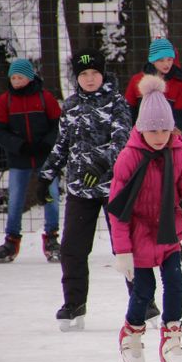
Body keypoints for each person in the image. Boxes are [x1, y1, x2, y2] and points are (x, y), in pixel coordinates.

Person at [108, 74, 182, 362]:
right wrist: (122, 251)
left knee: (175, 283)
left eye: (165, 129)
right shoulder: (129, 157)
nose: (159, 136)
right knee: (143, 290)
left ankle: (172, 337)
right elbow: (118, 210)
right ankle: (131, 333)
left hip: (167, 234)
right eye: (153, 130)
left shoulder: (178, 155)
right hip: (138, 237)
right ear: (141, 127)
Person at [37, 49, 132, 331]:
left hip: (114, 187)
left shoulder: (117, 102)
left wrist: (100, 164)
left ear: (103, 74)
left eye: (94, 73)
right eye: (83, 74)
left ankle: (143, 299)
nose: (89, 79)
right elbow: (62, 144)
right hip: (80, 189)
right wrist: (45, 176)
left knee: (125, 247)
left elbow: (122, 142)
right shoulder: (71, 105)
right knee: (72, 249)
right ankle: (74, 303)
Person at [124, 36, 182, 263]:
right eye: (161, 60)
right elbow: (128, 113)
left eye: (169, 59)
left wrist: (166, 139)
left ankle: (173, 240)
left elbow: (180, 119)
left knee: (168, 192)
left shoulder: (179, 84)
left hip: (167, 145)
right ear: (152, 60)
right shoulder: (137, 81)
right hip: (140, 145)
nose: (166, 64)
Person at [0, 59, 62, 263]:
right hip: (19, 158)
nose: (16, 81)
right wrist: (19, 146)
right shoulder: (6, 100)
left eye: (20, 77)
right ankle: (11, 241)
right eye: (13, 78)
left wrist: (46, 144)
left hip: (45, 157)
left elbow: (58, 125)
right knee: (15, 199)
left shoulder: (45, 98)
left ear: (29, 78)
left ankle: (52, 239)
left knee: (51, 196)